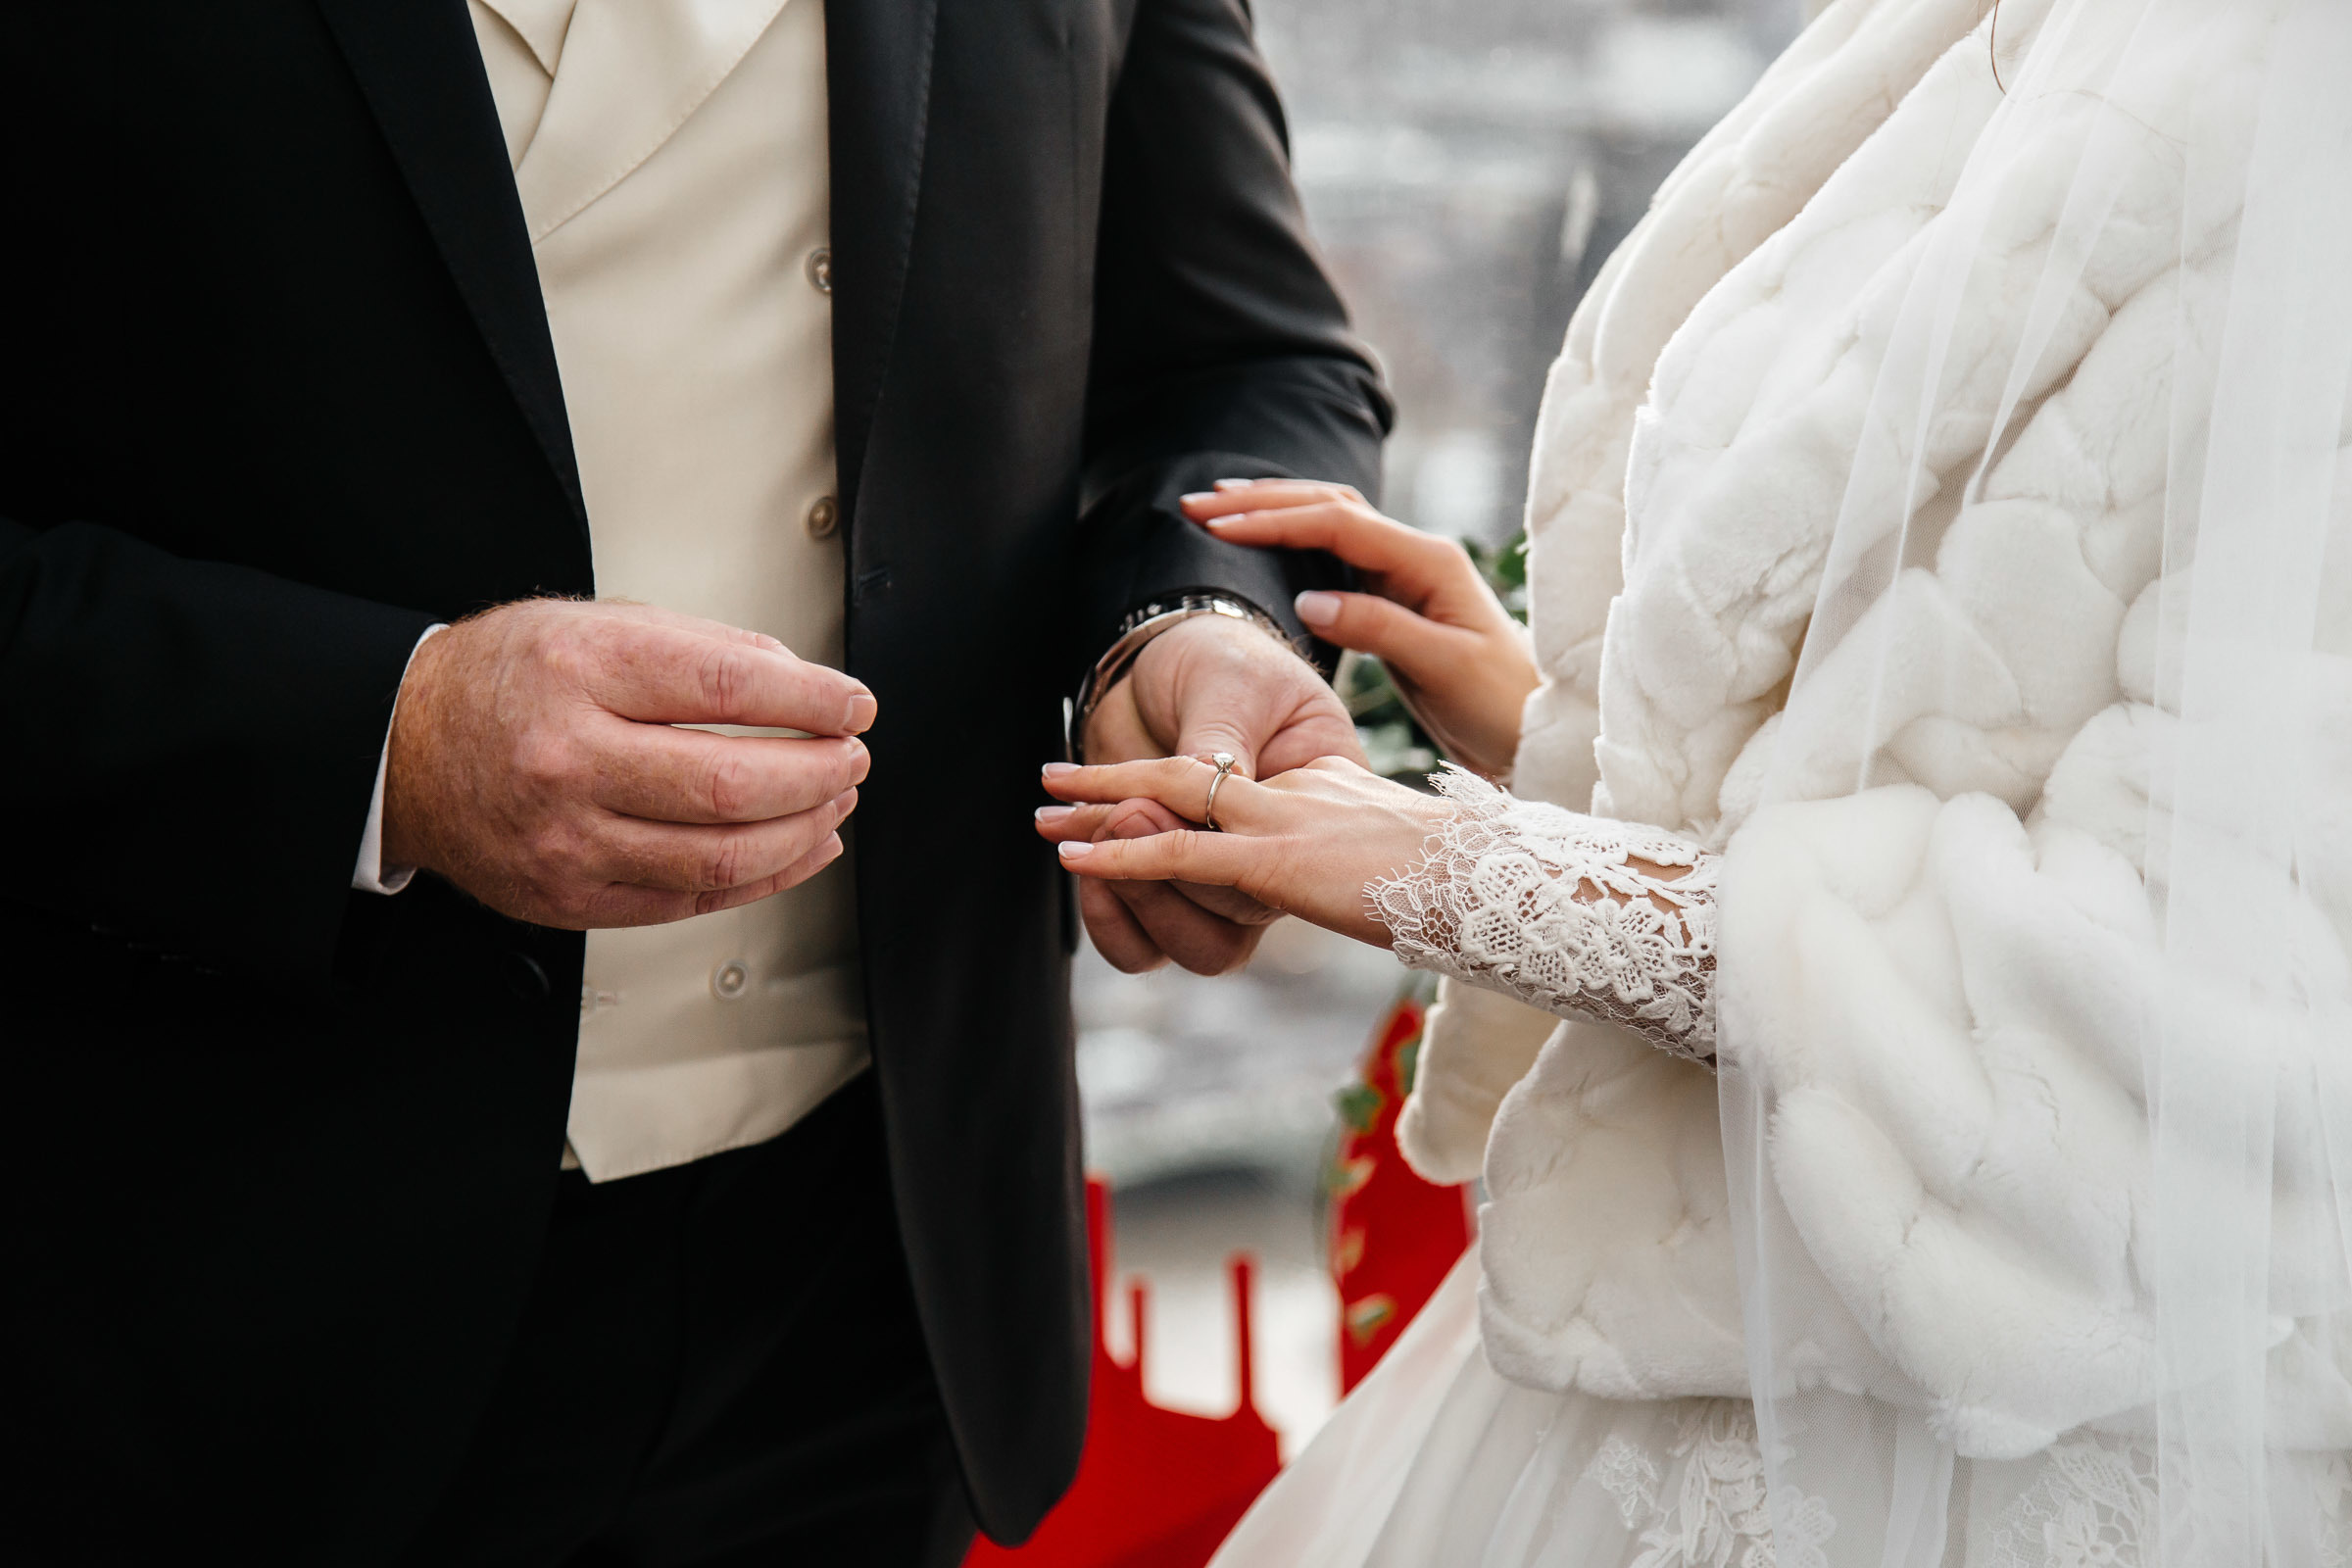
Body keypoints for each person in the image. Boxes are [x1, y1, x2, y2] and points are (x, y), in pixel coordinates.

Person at [0, 0, 1391, 1561]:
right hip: (180, 1303)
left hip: (872, 1295)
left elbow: (1248, 364)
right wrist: (383, 737)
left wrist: (1187, 618)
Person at [1037, 0, 2352, 1560]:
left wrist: (1468, 874)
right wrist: (1556, 730)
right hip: (1681, 1353)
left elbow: (2202, 1049)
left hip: (1992, 1464)